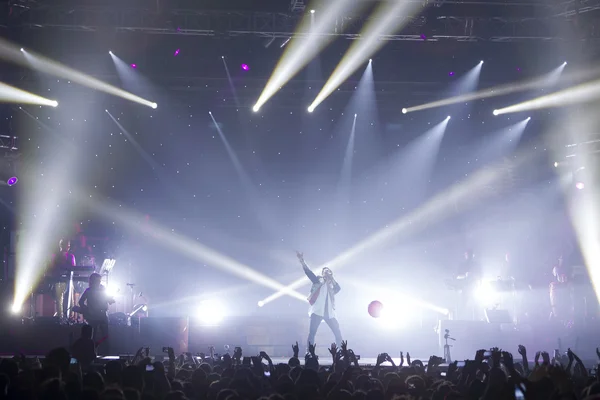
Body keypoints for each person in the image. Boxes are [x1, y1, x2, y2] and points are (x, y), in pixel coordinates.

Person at [296, 251, 342, 351]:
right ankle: (310, 352)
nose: (327, 273)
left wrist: (332, 279)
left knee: (337, 331)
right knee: (312, 333)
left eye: (328, 272)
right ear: (322, 273)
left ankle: (342, 352)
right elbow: (309, 273)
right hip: (317, 312)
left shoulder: (331, 287)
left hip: (329, 314)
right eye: (325, 271)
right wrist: (302, 261)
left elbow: (338, 288)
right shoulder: (318, 281)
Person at [78, 273, 115, 354]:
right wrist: (87, 309)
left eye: (99, 280)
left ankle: (106, 354)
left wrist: (110, 300)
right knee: (92, 337)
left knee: (105, 336)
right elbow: (80, 301)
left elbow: (108, 300)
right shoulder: (89, 291)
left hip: (101, 315)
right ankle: (93, 353)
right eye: (97, 280)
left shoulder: (102, 289)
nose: (99, 282)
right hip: (93, 316)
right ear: (92, 281)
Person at [48, 239, 76, 320]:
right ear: (61, 245)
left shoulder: (71, 256)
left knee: (70, 300)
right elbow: (52, 267)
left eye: (69, 245)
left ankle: (69, 317)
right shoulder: (55, 256)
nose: (68, 247)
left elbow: (73, 268)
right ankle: (60, 318)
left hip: (68, 280)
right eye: (67, 245)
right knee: (59, 300)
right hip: (59, 280)